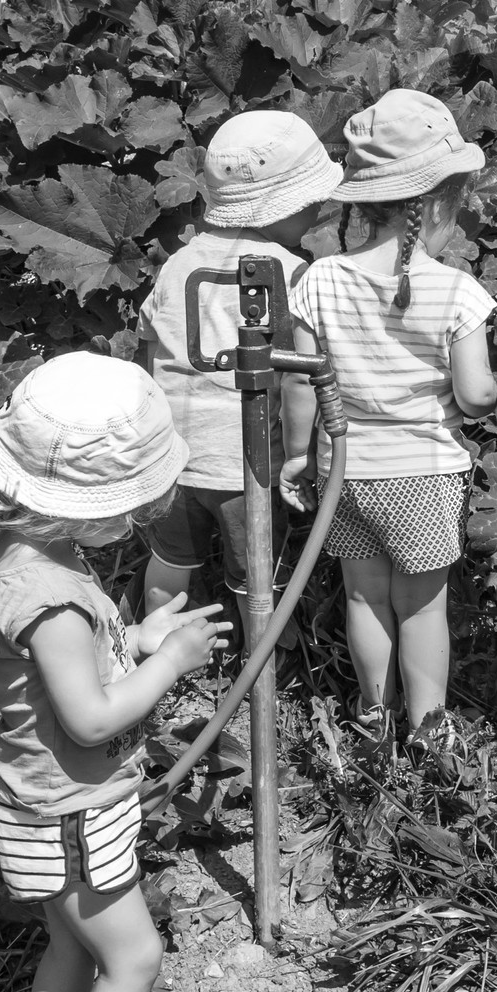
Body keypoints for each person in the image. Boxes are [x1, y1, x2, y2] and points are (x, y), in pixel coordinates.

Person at [0, 354, 230, 992]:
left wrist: (138, 643)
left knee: (70, 947)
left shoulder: (22, 561)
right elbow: (88, 718)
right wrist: (172, 666)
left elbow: (67, 684)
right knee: (135, 957)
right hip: (73, 811)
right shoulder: (52, 600)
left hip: (40, 802)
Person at [280, 90, 497, 752]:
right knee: (423, 606)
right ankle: (429, 729)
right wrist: (478, 401)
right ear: (437, 203)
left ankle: (374, 717)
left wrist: (297, 454)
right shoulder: (456, 291)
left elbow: (300, 381)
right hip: (423, 473)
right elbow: (477, 393)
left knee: (364, 598)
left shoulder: (319, 281)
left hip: (344, 469)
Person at [137, 110, 342, 624]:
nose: (319, 210)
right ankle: (262, 663)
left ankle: (157, 646)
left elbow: (148, 341)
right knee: (258, 580)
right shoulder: (290, 273)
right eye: (312, 203)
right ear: (287, 206)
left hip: (172, 457)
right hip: (245, 464)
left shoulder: (180, 263)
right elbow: (302, 371)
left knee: (168, 563)